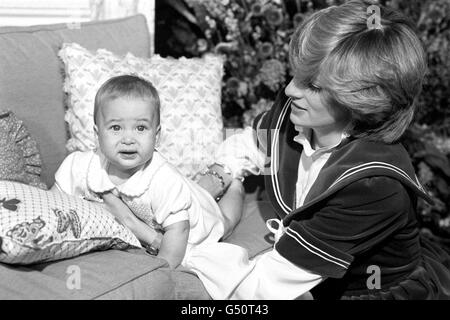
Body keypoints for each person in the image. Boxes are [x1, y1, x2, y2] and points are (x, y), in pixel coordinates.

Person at [182, 0, 450, 299]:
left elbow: (262, 289)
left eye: (314, 86)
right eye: (296, 74)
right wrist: (217, 176)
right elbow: (251, 144)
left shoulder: (371, 185)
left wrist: (184, 247)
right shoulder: (300, 110)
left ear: (361, 100)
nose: (290, 90)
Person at [52, 74, 243, 269]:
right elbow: (51, 203)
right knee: (194, 191)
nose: (128, 139)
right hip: (179, 197)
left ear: (156, 135)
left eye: (141, 128)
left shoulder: (163, 180)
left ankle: (236, 186)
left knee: (223, 221)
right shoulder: (79, 166)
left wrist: (163, 267)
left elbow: (179, 230)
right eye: (116, 127)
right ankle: (221, 178)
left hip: (196, 220)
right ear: (97, 133)